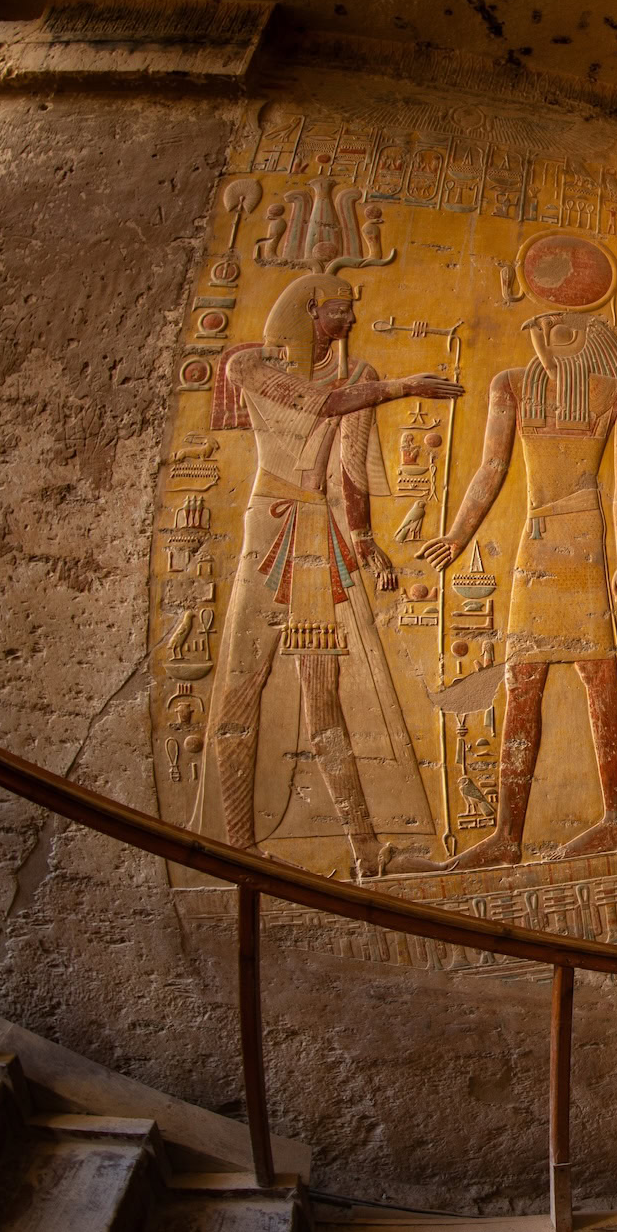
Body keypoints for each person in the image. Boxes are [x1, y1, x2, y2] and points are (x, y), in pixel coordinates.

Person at [202, 271, 462, 877]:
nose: (348, 321)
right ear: (306, 312)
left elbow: (349, 462)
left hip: (318, 532)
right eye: (338, 311)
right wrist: (404, 387)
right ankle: (237, 847)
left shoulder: (358, 377)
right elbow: (316, 403)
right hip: (268, 524)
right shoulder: (250, 367)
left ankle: (367, 853)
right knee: (243, 684)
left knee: (326, 703)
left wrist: (366, 539)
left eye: (350, 312)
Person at [420, 311, 617, 867]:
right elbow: (491, 468)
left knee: (599, 675)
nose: (544, 338)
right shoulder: (512, 385)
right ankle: (506, 838)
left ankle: (616, 821)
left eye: (558, 328)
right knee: (522, 681)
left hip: (583, 542)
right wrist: (457, 533)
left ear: (587, 336)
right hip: (536, 540)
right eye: (540, 327)